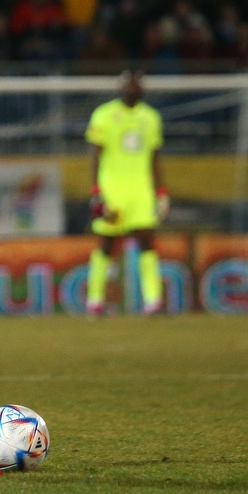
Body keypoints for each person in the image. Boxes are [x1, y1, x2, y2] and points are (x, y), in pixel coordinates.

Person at [85, 70, 169, 315]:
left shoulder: (151, 117)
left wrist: (161, 191)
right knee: (107, 244)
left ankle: (153, 300)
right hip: (113, 190)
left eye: (138, 84)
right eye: (130, 84)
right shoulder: (104, 115)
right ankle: (94, 300)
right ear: (121, 86)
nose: (134, 88)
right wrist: (96, 191)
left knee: (146, 240)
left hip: (141, 191)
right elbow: (94, 154)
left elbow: (155, 157)